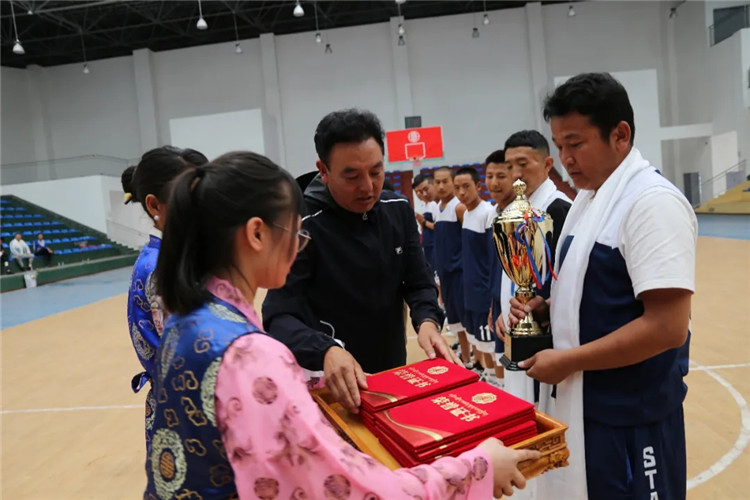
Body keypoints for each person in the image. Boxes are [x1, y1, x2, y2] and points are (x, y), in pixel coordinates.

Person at [147, 150, 541, 499]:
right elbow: (349, 489)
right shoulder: (253, 355)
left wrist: (306, 388)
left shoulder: (188, 321)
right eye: (295, 232)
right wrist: (476, 468)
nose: (299, 245)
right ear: (256, 233)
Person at [509, 72, 695, 499]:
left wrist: (568, 360)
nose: (566, 159)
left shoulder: (651, 203)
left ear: (620, 135)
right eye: (559, 146)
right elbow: (594, 291)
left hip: (632, 420)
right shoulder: (590, 200)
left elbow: (668, 327)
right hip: (589, 410)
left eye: (576, 144)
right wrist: (546, 309)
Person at [263, 109, 457, 415]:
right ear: (323, 170)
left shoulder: (397, 210)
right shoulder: (300, 227)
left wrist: (428, 322)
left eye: (376, 172)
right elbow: (278, 315)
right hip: (329, 383)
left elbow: (418, 282)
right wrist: (325, 350)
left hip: (391, 372)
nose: (367, 187)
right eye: (352, 176)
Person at [121, 146, 208, 456]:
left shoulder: (176, 260)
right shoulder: (161, 269)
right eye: (188, 198)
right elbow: (193, 355)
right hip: (188, 414)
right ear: (154, 205)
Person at [500, 130, 572, 411]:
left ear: (547, 164)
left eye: (523, 163)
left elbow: (562, 277)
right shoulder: (518, 209)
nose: (516, 173)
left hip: (545, 336)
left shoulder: (559, 209)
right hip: (517, 326)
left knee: (543, 413)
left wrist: (537, 310)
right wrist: (502, 310)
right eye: (509, 166)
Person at [453, 166, 502, 387]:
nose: (461, 192)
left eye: (466, 186)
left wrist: (491, 298)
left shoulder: (487, 213)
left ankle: (500, 385)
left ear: (478, 186)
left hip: (484, 293)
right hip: (470, 291)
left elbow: (492, 260)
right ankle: (490, 379)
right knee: (482, 344)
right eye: (457, 188)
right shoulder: (465, 213)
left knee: (493, 347)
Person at [433, 166, 477, 370]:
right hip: (446, 275)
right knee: (456, 322)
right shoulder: (438, 208)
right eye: (437, 182)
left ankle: (479, 360)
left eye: (445, 181)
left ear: (453, 183)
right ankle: (466, 360)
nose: (441, 186)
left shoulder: (459, 208)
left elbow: (469, 241)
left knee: (468, 321)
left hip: (460, 274)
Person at [483, 150, 516, 383]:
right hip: (498, 303)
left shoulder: (522, 215)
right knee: (502, 361)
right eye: (489, 176)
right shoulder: (494, 214)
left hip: (515, 308)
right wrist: (493, 305)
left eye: (501, 176)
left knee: (515, 367)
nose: (494, 183)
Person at [413, 173, 439, 272]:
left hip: (434, 245)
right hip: (427, 245)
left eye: (425, 190)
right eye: (418, 192)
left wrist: (423, 221)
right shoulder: (424, 206)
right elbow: (423, 227)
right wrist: (421, 221)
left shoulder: (434, 204)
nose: (421, 194)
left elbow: (438, 227)